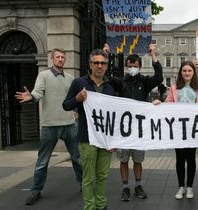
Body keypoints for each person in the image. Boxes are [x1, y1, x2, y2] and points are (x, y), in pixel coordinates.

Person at [15, 48, 82, 206]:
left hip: (69, 125)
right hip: (49, 126)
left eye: (63, 57)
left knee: (77, 158)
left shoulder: (71, 78)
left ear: (65, 60)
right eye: (57, 57)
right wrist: (31, 97)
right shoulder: (43, 75)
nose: (60, 59)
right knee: (43, 161)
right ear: (52, 59)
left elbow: (75, 99)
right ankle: (36, 190)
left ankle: (83, 184)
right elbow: (37, 93)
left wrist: (76, 111)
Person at [106, 43, 163, 201]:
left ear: (139, 66)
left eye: (135, 65)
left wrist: (153, 56)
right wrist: (106, 55)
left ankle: (138, 185)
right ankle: (125, 187)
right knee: (123, 161)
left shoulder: (144, 82)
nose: (133, 68)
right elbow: (105, 76)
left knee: (138, 160)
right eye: (130, 65)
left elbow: (159, 78)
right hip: (123, 130)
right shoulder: (120, 82)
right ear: (126, 66)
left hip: (139, 130)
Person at [62, 49, 116, 210]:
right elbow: (66, 105)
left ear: (107, 66)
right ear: (90, 65)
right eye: (96, 63)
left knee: (102, 175)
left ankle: (101, 204)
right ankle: (90, 207)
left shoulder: (110, 86)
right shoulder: (79, 83)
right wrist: (77, 99)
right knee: (88, 177)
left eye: (103, 63)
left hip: (105, 139)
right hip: (87, 138)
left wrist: (113, 139)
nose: (100, 66)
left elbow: (115, 114)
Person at [153, 61, 198, 200]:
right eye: (184, 71)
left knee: (191, 159)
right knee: (180, 159)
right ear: (181, 72)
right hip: (178, 130)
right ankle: (181, 187)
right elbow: (168, 104)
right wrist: (160, 103)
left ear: (193, 72)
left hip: (193, 130)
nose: (187, 73)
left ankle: (190, 187)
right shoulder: (174, 88)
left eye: (189, 71)